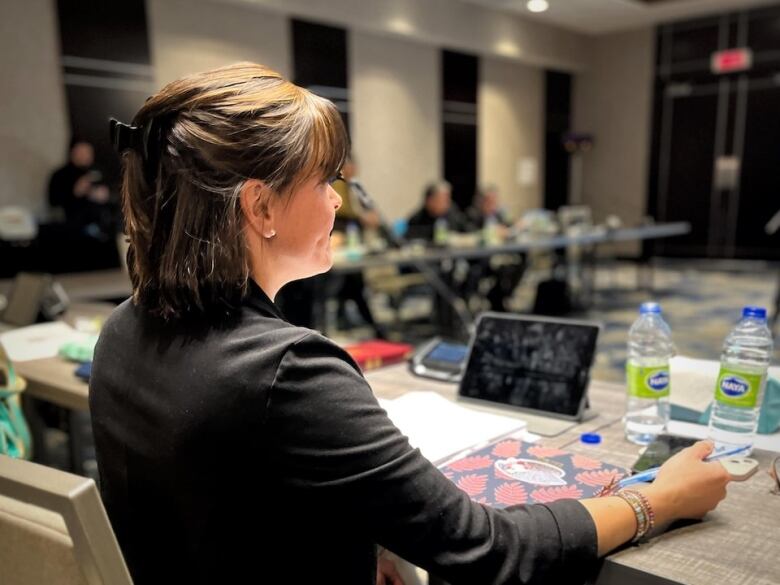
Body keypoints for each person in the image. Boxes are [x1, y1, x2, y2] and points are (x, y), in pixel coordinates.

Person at [90, 62, 731, 585]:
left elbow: (231, 502)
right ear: (260, 206)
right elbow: (487, 549)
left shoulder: (122, 329)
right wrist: (657, 501)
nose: (339, 199)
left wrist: (358, 538)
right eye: (325, 180)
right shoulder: (286, 371)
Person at [464, 185, 526, 312]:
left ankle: (502, 296)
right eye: (490, 200)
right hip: (480, 259)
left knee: (520, 260)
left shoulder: (498, 214)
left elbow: (508, 227)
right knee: (499, 268)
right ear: (481, 201)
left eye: (495, 200)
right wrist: (492, 232)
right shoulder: (472, 214)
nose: (493, 203)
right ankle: (496, 298)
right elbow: (472, 234)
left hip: (498, 255)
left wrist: (515, 226)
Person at [48, 137, 113, 239]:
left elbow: (115, 195)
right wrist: (75, 192)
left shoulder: (99, 172)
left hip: (102, 225)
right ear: (73, 153)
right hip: (73, 228)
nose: (85, 156)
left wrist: (105, 196)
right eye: (81, 153)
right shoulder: (61, 175)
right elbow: (54, 202)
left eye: (88, 153)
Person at [406, 181, 470, 242]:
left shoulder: (453, 215)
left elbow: (468, 230)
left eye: (448, 199)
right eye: (443, 200)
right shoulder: (416, 220)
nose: (448, 203)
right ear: (430, 201)